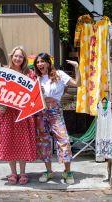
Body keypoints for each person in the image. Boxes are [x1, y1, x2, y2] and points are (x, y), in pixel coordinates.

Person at [34, 53, 81, 184]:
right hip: (40, 112)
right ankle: (49, 171)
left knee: (64, 139)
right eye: (38, 62)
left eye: (42, 61)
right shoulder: (36, 77)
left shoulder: (59, 74)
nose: (40, 64)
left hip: (55, 112)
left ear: (48, 62)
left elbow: (78, 83)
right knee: (43, 141)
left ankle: (67, 172)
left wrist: (77, 67)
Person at [0, 46, 37, 185]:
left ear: (24, 59)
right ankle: (13, 173)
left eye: (20, 56)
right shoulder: (4, 72)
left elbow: (34, 93)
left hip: (23, 114)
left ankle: (23, 172)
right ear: (11, 56)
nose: (18, 58)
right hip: (7, 113)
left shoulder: (29, 74)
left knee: (22, 141)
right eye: (16, 56)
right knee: (9, 142)